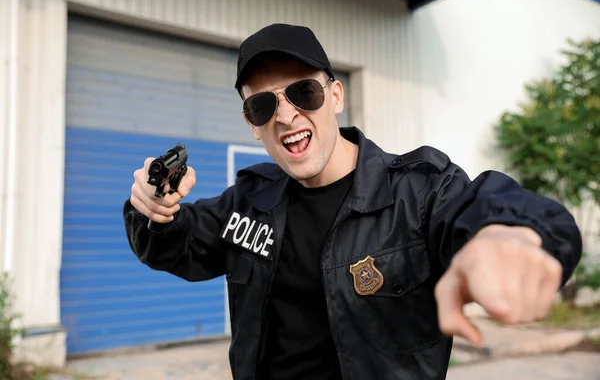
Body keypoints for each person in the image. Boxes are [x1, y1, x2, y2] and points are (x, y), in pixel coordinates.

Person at [123, 23, 582, 380]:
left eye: (304, 92)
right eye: (262, 105)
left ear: (336, 95)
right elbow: (173, 245)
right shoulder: (248, 200)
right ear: (251, 123)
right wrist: (152, 211)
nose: (285, 115)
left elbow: (484, 208)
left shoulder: (419, 190)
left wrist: (508, 236)